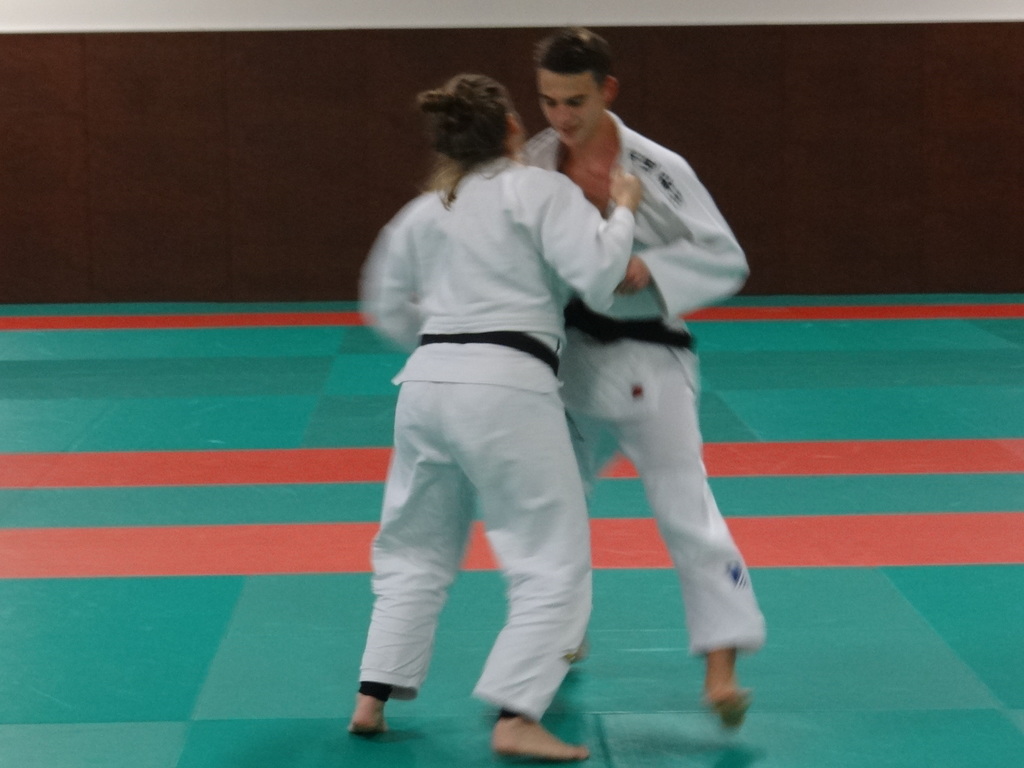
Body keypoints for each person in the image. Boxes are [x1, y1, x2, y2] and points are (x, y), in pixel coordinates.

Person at [350, 73, 643, 761]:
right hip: (507, 385)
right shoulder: (540, 190)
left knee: (412, 546)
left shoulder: (420, 212)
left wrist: (447, 342)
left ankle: (372, 696)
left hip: (425, 385)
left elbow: (383, 305)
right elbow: (600, 275)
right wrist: (623, 211)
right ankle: (517, 713)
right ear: (512, 128)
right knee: (552, 556)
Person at [522, 28, 767, 729]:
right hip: (570, 362)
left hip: (651, 363)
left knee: (687, 510)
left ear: (608, 90)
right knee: (552, 510)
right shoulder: (535, 161)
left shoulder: (658, 168)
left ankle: (722, 670)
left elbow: (726, 257)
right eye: (548, 101)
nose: (561, 117)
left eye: (574, 101)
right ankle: (559, 634)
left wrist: (652, 269)